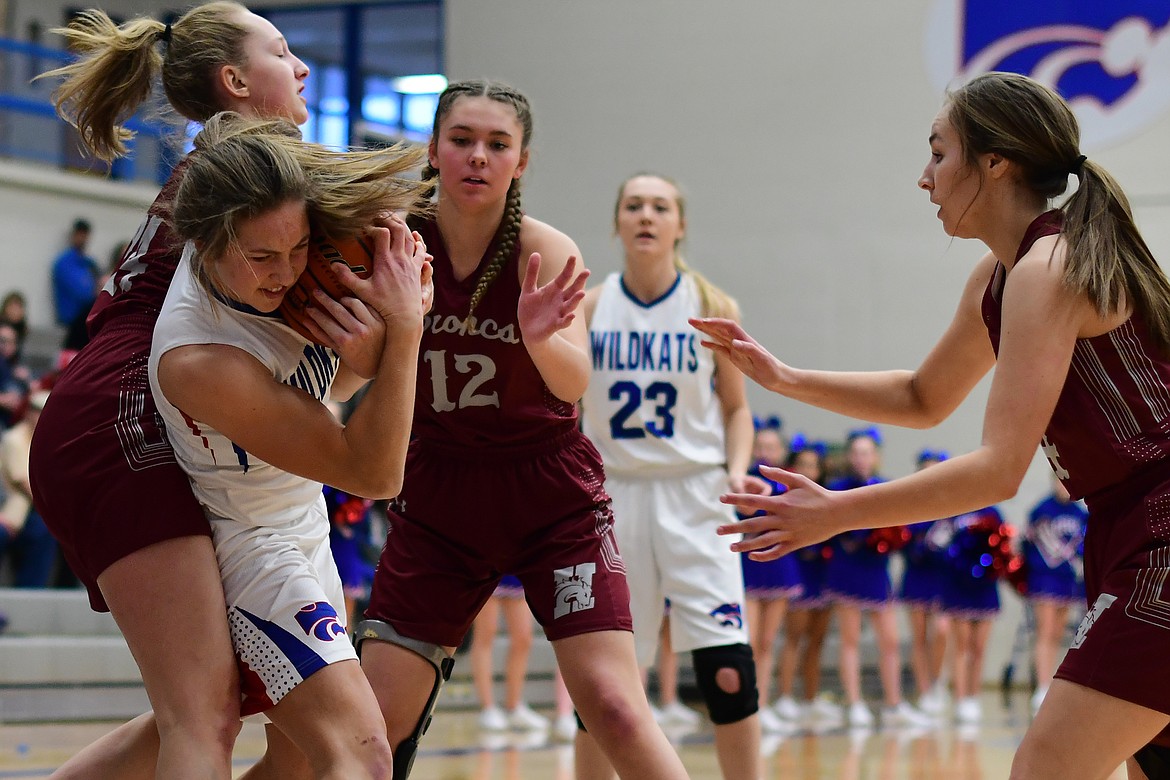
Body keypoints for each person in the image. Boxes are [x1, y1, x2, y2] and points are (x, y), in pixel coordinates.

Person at [692, 70, 1170, 780]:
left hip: (1158, 533)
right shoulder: (1000, 277)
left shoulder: (1049, 266)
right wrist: (785, 377)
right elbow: (922, 397)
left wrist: (836, 512)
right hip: (1121, 530)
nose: (925, 177)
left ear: (994, 162)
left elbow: (998, 469)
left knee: (1045, 768)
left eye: (939, 153)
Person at [354, 81, 689, 780]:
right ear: (433, 150)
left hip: (549, 494)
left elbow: (573, 383)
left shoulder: (543, 249)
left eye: (497, 145)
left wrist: (538, 339)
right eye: (463, 140)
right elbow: (349, 373)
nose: (478, 156)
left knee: (615, 708)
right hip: (441, 493)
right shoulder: (393, 244)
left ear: (521, 162)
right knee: (371, 728)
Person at [28, 4, 316, 778]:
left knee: (218, 704)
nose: (304, 68)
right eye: (284, 51)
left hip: (111, 407)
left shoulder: (242, 164)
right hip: (118, 413)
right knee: (205, 714)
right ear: (235, 80)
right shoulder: (256, 170)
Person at [149, 113, 430, 778]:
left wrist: (366, 356)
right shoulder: (199, 357)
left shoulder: (278, 246)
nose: (285, 274)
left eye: (299, 248)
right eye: (263, 257)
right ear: (206, 243)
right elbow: (375, 473)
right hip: (251, 547)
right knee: (362, 753)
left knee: (300, 760)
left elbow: (324, 388)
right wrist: (405, 334)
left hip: (303, 519)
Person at [577, 171, 764, 780]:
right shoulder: (592, 306)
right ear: (618, 223)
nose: (646, 217)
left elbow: (736, 410)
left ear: (680, 225)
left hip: (696, 492)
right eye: (633, 205)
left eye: (660, 207)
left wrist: (735, 473)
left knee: (727, 671)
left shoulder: (713, 308)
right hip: (612, 494)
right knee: (602, 675)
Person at [821, 428, 930, 728]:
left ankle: (894, 704)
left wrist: (892, 537)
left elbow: (900, 529)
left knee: (891, 640)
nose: (861, 458)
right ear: (848, 456)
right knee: (850, 639)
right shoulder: (837, 487)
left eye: (866, 452)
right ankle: (854, 703)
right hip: (846, 569)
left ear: (876, 456)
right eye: (855, 453)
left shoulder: (885, 487)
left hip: (877, 571)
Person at [771, 439, 840, 726]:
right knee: (793, 637)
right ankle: (785, 697)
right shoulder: (786, 497)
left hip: (822, 575)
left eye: (813, 465)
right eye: (803, 465)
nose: (808, 470)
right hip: (797, 572)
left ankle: (810, 699)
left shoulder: (831, 497)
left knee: (817, 640)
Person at [740, 421, 803, 733]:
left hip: (779, 566)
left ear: (781, 452)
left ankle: (762, 703)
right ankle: (747, 705)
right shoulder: (741, 481)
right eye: (760, 446)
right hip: (749, 565)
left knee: (767, 641)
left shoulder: (792, 485)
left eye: (771, 447)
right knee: (749, 641)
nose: (765, 452)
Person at [1023, 477, 1088, 714]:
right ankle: (1041, 687)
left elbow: (1086, 546)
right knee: (1045, 631)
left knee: (1058, 634)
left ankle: (1050, 685)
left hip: (1068, 582)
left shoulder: (1080, 512)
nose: (1062, 487)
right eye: (1058, 482)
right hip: (1044, 581)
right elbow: (1027, 545)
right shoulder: (1041, 509)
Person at [941, 503, 1007, 724]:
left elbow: (1004, 548)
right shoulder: (956, 509)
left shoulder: (994, 513)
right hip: (959, 585)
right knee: (961, 645)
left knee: (978, 647)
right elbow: (945, 546)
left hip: (986, 587)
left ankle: (973, 697)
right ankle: (960, 700)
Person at [900, 449, 953, 716]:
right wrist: (920, 545)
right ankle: (924, 690)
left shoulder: (953, 505)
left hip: (942, 580)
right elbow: (903, 543)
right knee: (919, 637)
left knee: (942, 631)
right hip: (916, 577)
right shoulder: (910, 506)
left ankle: (936, 680)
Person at [470, 576, 551, 732]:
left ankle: (513, 706)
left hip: (515, 568)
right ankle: (488, 708)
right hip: (488, 565)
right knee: (486, 634)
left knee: (523, 638)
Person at [0, 390, 56, 587]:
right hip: (14, 508)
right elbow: (24, 483)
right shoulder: (14, 438)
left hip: (35, 509)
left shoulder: (49, 439)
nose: (40, 416)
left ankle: (32, 589)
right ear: (28, 412)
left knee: (47, 533)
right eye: (37, 411)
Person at [51, 218, 100, 343]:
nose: (82, 238)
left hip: (87, 324)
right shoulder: (64, 262)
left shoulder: (89, 263)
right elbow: (83, 293)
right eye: (79, 234)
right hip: (70, 324)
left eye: (84, 235)